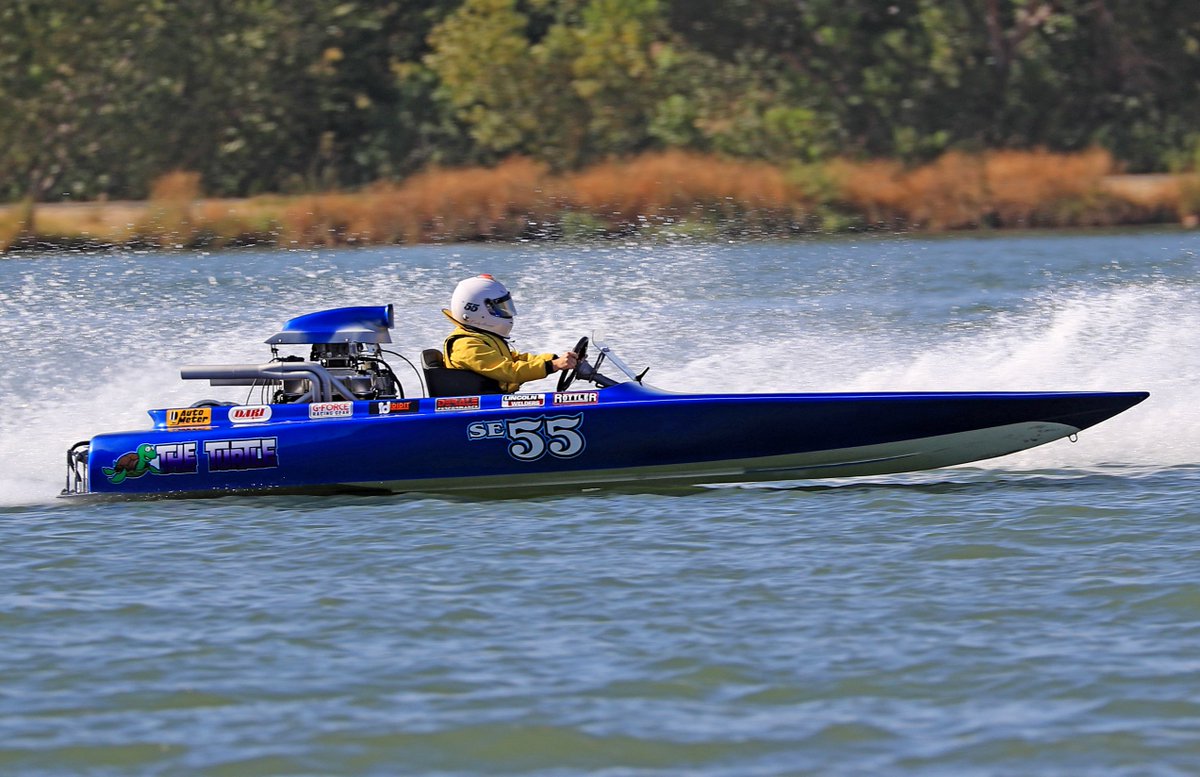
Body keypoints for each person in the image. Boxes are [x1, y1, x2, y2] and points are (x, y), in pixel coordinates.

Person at [442, 274, 577, 393]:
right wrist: (553, 365)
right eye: (499, 308)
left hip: (492, 405)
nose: (506, 312)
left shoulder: (478, 337)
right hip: (479, 411)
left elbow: (514, 359)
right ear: (475, 309)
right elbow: (509, 371)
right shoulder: (466, 345)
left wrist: (554, 359)